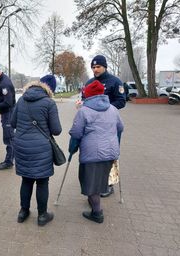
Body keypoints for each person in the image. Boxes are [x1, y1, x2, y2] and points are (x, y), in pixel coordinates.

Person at [69, 80, 124, 223]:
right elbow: (120, 128)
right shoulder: (113, 109)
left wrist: (71, 149)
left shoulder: (84, 111)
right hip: (110, 153)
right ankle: (95, 203)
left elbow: (76, 133)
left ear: (88, 95)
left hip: (91, 155)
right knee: (100, 181)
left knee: (90, 184)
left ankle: (97, 213)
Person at [11, 75, 62, 226]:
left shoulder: (21, 100)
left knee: (26, 180)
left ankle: (23, 212)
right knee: (42, 182)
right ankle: (42, 216)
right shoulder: (49, 103)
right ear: (50, 89)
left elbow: (13, 123)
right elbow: (56, 130)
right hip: (41, 148)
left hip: (21, 146)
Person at [82, 55, 126, 197]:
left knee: (110, 154)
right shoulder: (89, 82)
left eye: (98, 67)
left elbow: (121, 101)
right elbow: (84, 99)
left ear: (104, 66)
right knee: (95, 154)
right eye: (93, 67)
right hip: (92, 127)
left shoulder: (115, 82)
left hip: (110, 125)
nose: (95, 69)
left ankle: (109, 184)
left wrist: (105, 110)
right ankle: (94, 184)